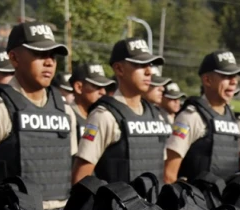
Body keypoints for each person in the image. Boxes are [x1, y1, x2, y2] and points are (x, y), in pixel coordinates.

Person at [0, 21, 77, 210]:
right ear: (14, 58)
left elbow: (68, 171)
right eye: (39, 54)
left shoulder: (65, 110)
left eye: (52, 56)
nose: (49, 62)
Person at [72, 37, 169, 185]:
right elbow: (81, 179)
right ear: (119, 69)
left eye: (149, 64)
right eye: (140, 64)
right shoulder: (104, 116)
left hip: (153, 207)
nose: (149, 71)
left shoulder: (156, 116)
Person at [164, 50, 240, 182]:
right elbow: (169, 173)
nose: (233, 81)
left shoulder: (230, 117)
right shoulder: (190, 117)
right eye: (226, 76)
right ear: (207, 80)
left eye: (235, 76)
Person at [69, 62, 115, 141]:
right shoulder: (67, 117)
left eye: (104, 87)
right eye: (97, 86)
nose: (103, 92)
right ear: (79, 87)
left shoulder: (104, 116)